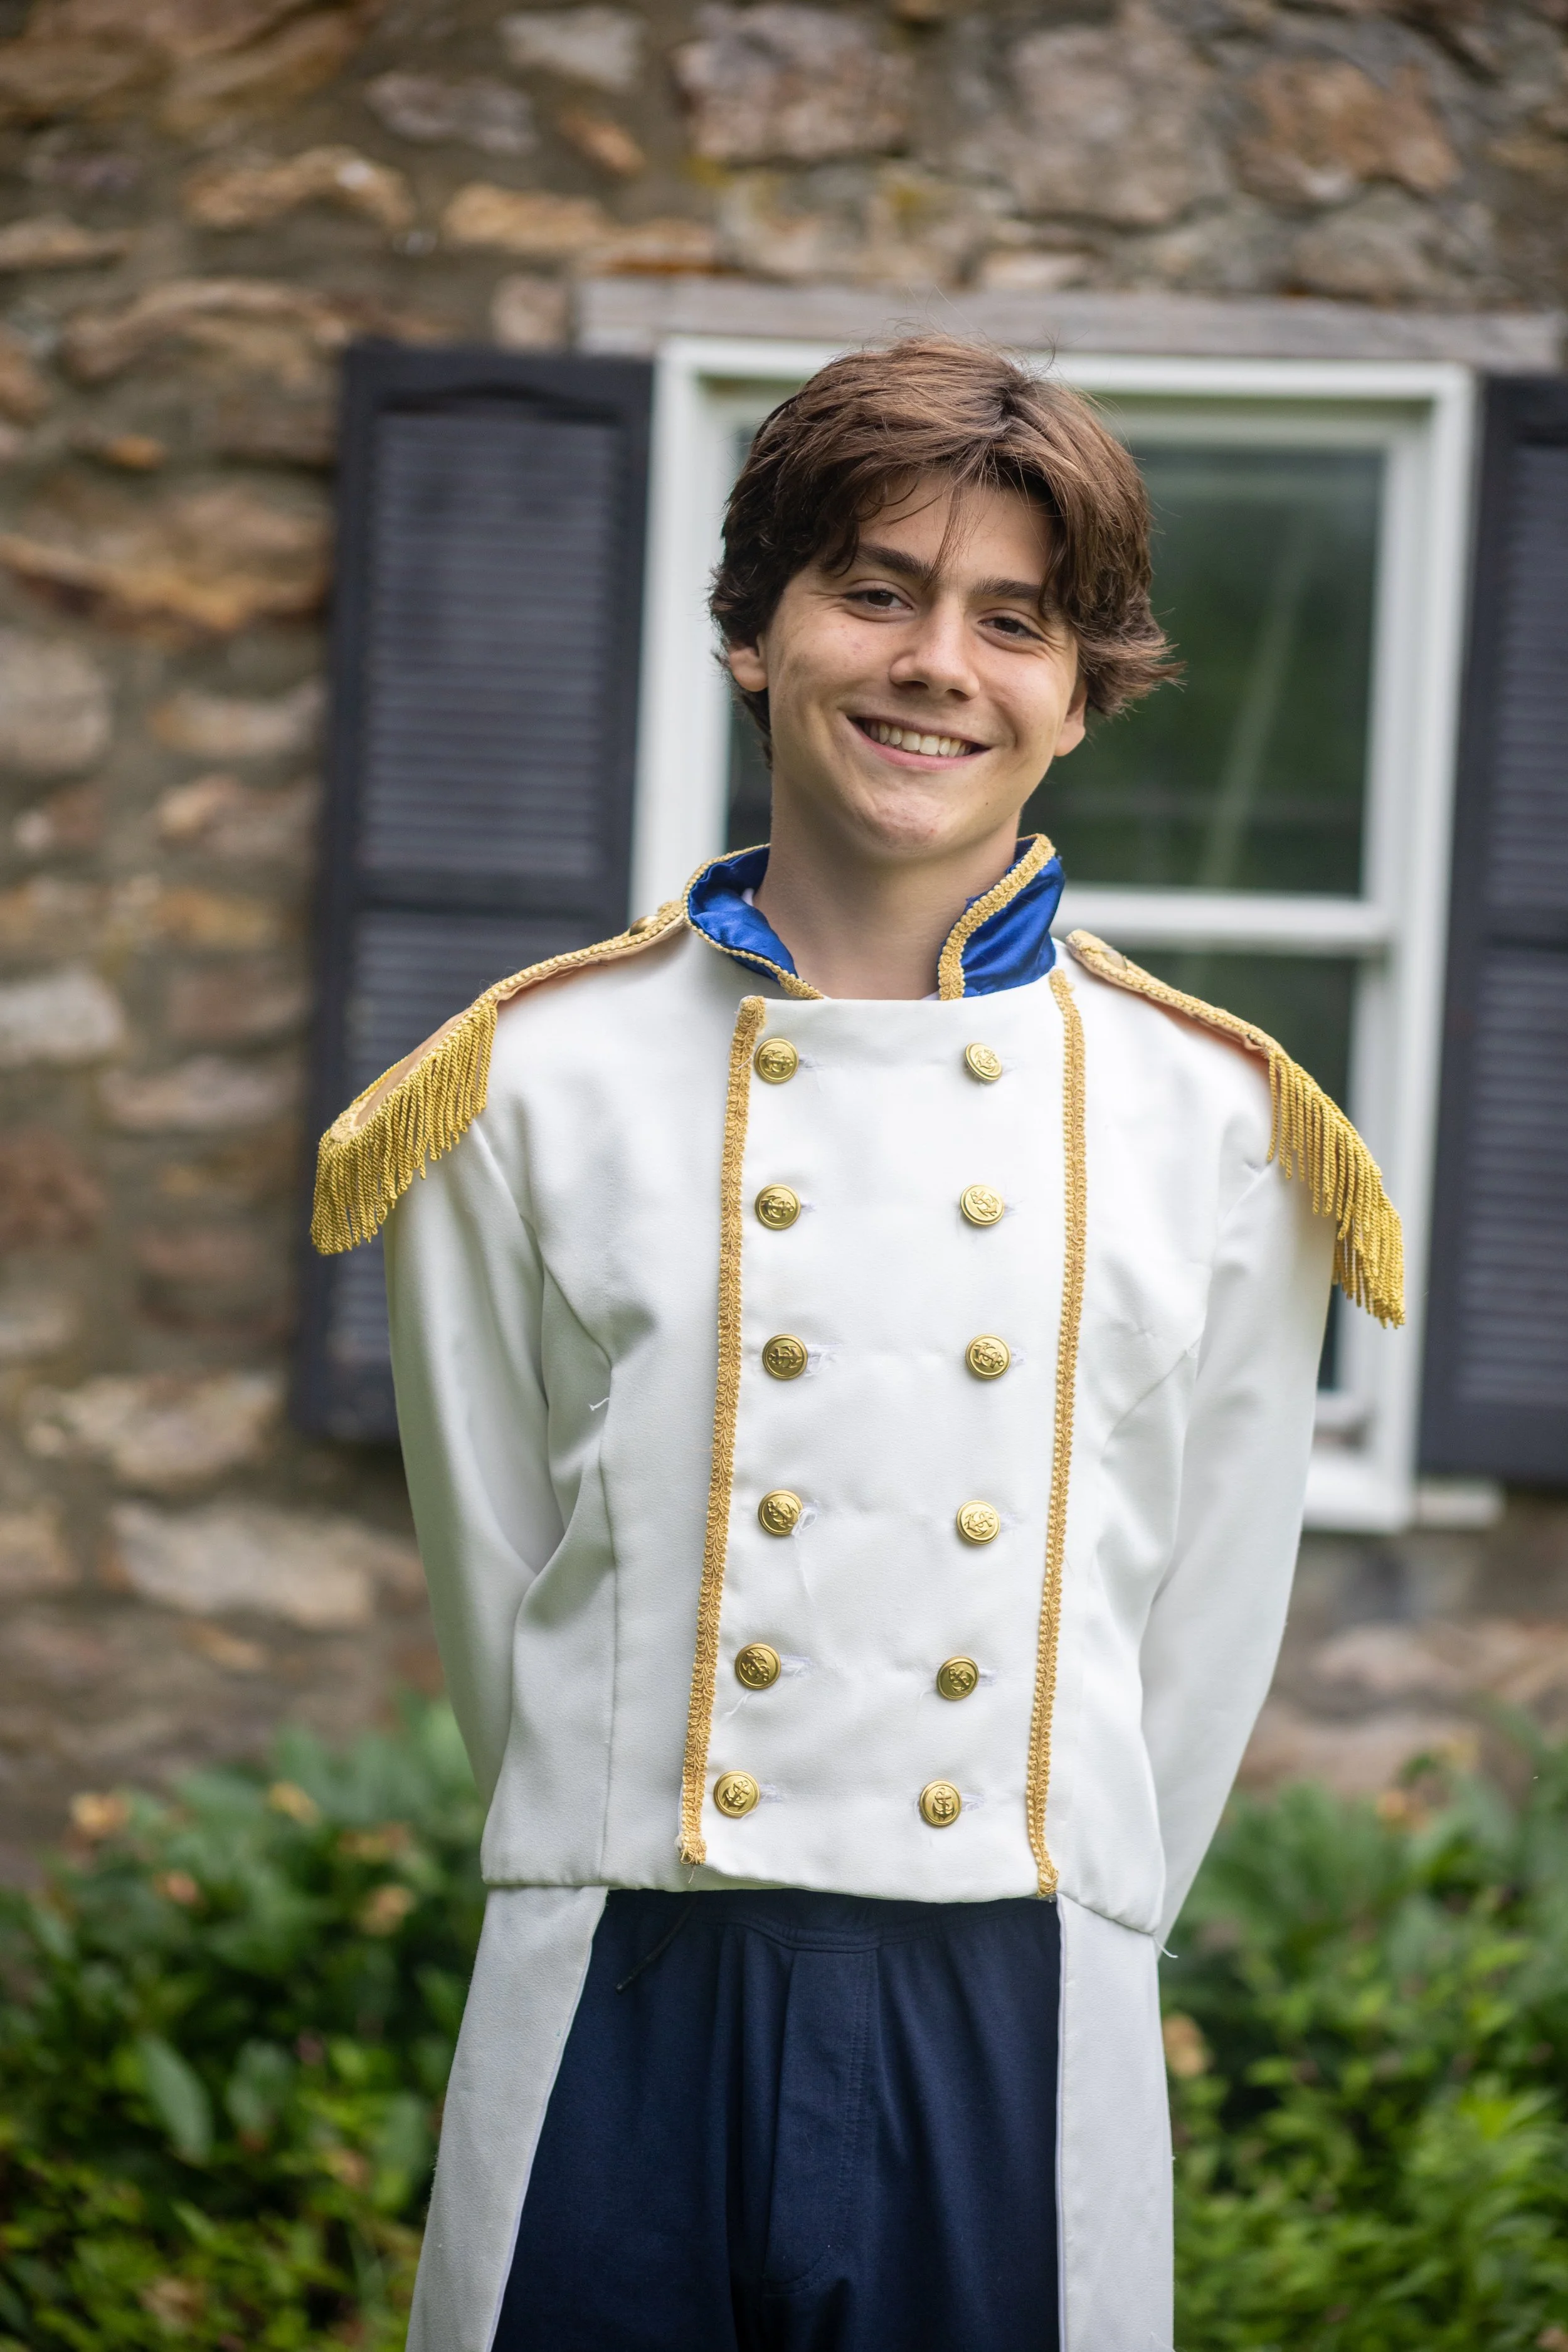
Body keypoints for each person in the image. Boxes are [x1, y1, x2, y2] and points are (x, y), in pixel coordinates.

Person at [311, 337, 1402, 2352]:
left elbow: (1199, 1634)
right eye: (873, 588)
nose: (933, 665)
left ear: (1080, 694)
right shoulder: (520, 1086)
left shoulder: (1224, 1124)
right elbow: (504, 1590)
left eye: (1013, 621)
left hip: (1010, 1993)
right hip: (623, 1971)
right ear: (755, 630)